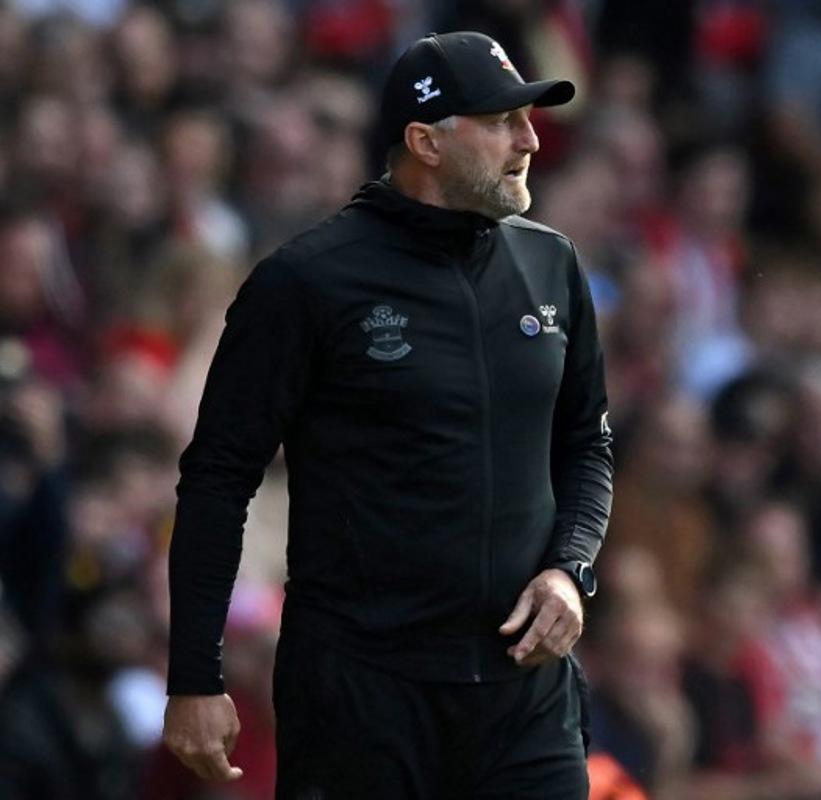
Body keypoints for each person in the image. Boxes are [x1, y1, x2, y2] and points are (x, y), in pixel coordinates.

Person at [160, 31, 613, 799]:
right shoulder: (306, 281)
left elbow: (586, 444)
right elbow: (217, 478)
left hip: (523, 702)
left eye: (528, 120)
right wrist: (194, 677)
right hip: (361, 699)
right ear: (424, 141)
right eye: (503, 121)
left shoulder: (552, 264)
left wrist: (570, 571)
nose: (530, 140)